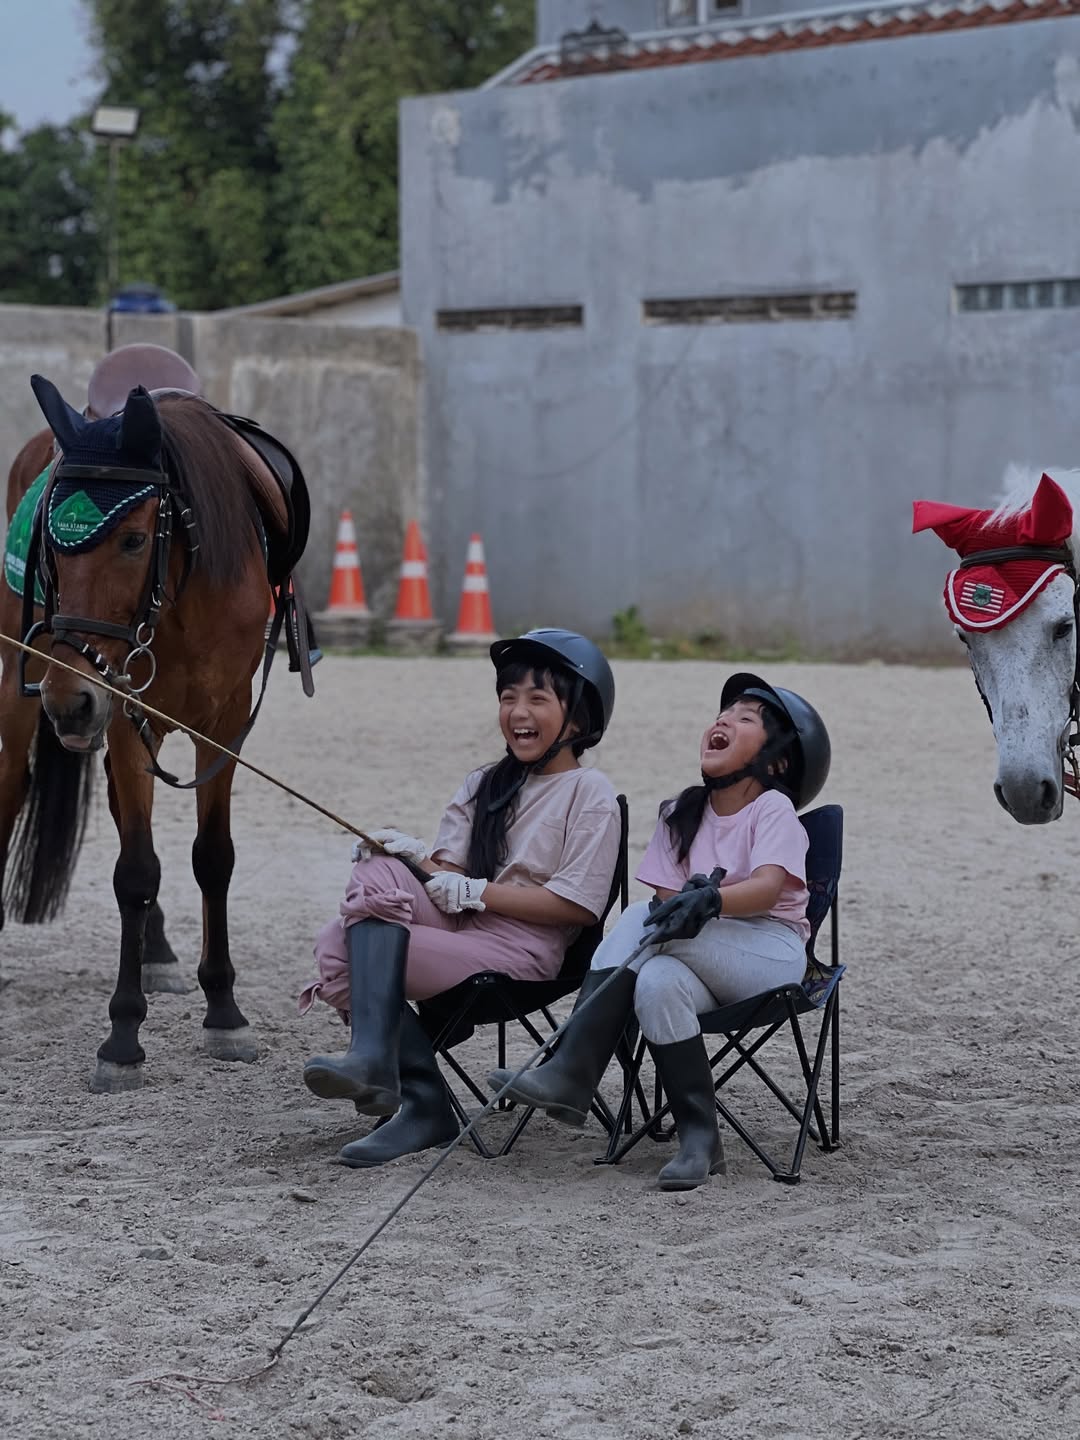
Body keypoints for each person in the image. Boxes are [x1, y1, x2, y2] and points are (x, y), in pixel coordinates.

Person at [489, 672, 830, 1192]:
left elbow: (765, 890)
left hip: (770, 954)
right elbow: (667, 905)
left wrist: (710, 899)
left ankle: (574, 1068)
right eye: (723, 714)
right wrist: (687, 904)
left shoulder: (772, 808)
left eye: (745, 719)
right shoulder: (681, 813)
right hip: (693, 955)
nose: (724, 721)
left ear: (778, 762)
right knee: (657, 980)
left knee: (637, 920)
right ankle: (699, 1141)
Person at [299, 628, 621, 1169]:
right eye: (508, 697)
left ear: (580, 719)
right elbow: (445, 878)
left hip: (525, 950)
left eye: (538, 698)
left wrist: (477, 891)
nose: (518, 710)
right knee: (378, 870)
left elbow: (579, 906)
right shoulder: (484, 784)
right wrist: (413, 855)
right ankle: (393, 1074)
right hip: (462, 925)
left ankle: (407, 1089)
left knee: (343, 946)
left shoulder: (590, 794)